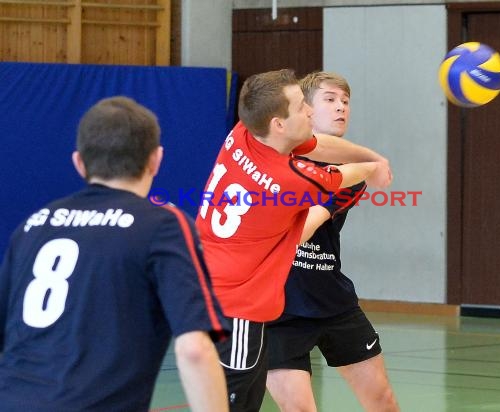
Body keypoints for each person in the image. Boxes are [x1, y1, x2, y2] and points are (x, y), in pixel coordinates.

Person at [0, 96, 230, 412]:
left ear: (79, 162)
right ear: (156, 160)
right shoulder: (163, 224)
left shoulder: (34, 226)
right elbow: (194, 349)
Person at [195, 69, 392, 412]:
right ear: (279, 123)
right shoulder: (293, 177)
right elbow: (309, 217)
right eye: (314, 104)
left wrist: (367, 157)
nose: (316, 113)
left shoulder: (244, 132)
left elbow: (321, 148)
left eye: (345, 101)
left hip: (316, 298)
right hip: (251, 304)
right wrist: (369, 165)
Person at [266, 72, 400, 412]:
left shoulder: (350, 171)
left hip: (331, 301)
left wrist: (371, 163)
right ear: (306, 110)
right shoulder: (276, 156)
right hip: (278, 309)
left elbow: (306, 226)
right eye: (330, 99)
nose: (341, 107)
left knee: (382, 401)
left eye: (345, 101)